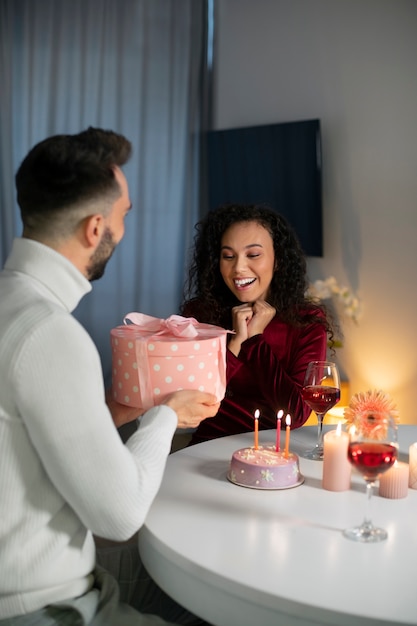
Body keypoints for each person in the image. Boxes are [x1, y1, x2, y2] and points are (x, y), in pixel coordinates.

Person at [0, 128, 220, 625]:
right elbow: (118, 517)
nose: (123, 230)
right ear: (95, 228)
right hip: (44, 607)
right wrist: (167, 415)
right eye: (124, 216)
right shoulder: (51, 334)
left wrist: (113, 414)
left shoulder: (10, 303)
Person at [180, 203, 335, 445]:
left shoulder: (306, 321)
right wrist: (236, 343)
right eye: (228, 256)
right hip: (206, 446)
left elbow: (296, 414)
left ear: (278, 260)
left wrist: (255, 341)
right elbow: (192, 400)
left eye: (253, 255)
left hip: (274, 455)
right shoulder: (199, 314)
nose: (238, 268)